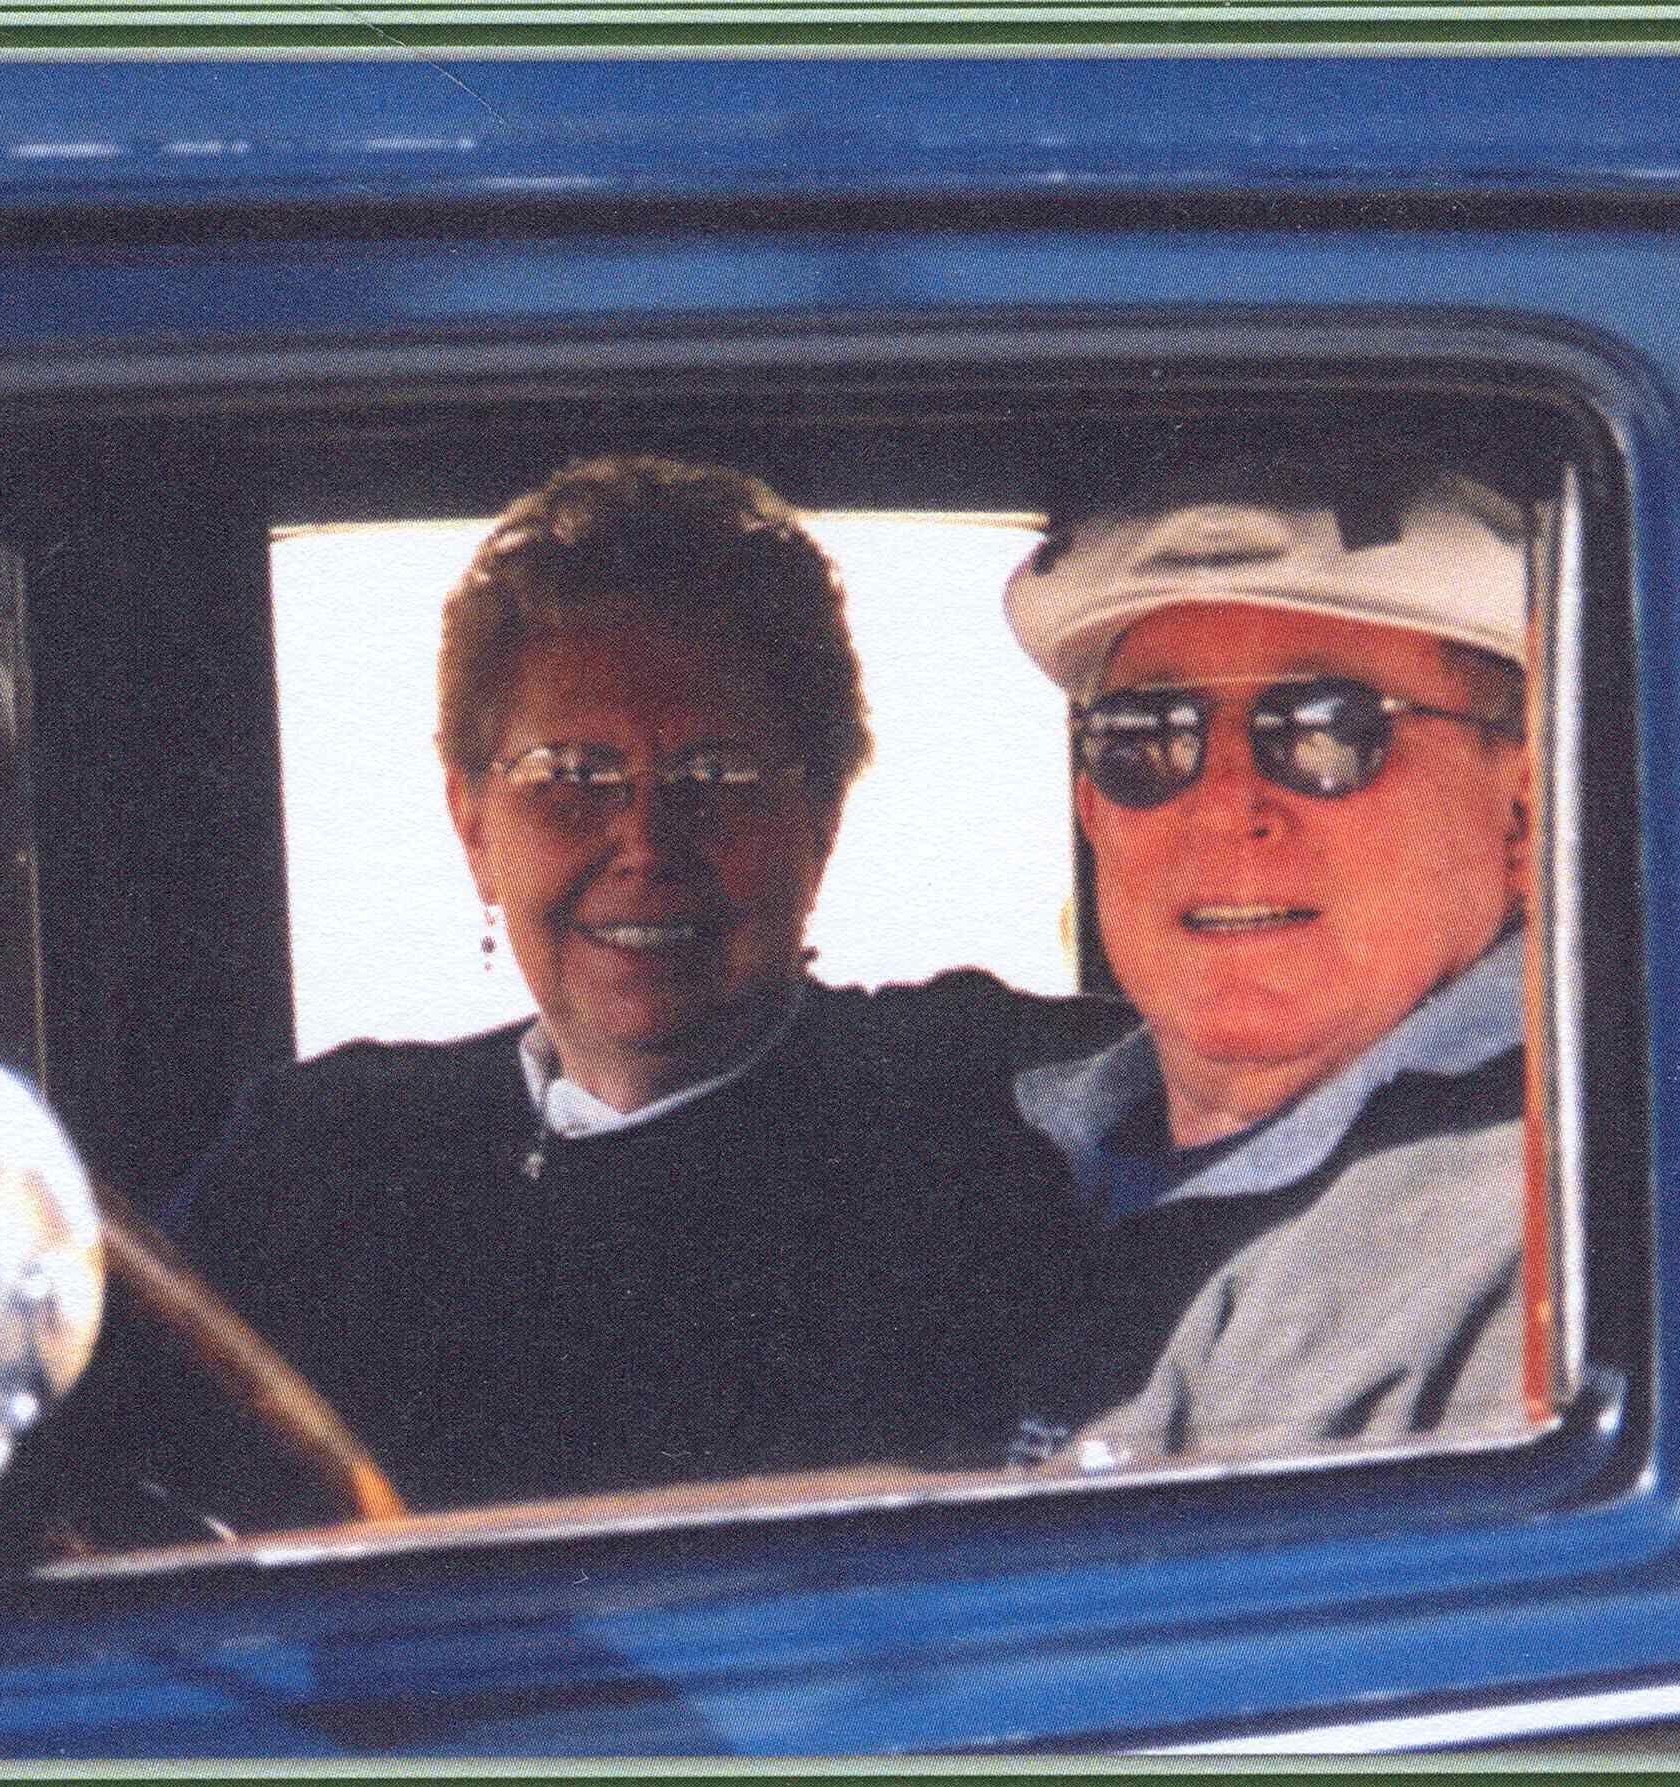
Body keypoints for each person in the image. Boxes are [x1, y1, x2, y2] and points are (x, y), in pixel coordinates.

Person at [152, 455, 1124, 1523]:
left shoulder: (991, 1105)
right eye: (571, 775)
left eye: (717, 776)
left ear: (821, 822)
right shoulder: (315, 1157)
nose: (647, 842)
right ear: (473, 824)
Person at [996, 446, 1540, 1470]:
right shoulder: (989, 1148)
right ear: (1092, 809)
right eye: (1149, 738)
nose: (1223, 806)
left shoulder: (1513, 1214)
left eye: (1326, 731)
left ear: (1524, 810)